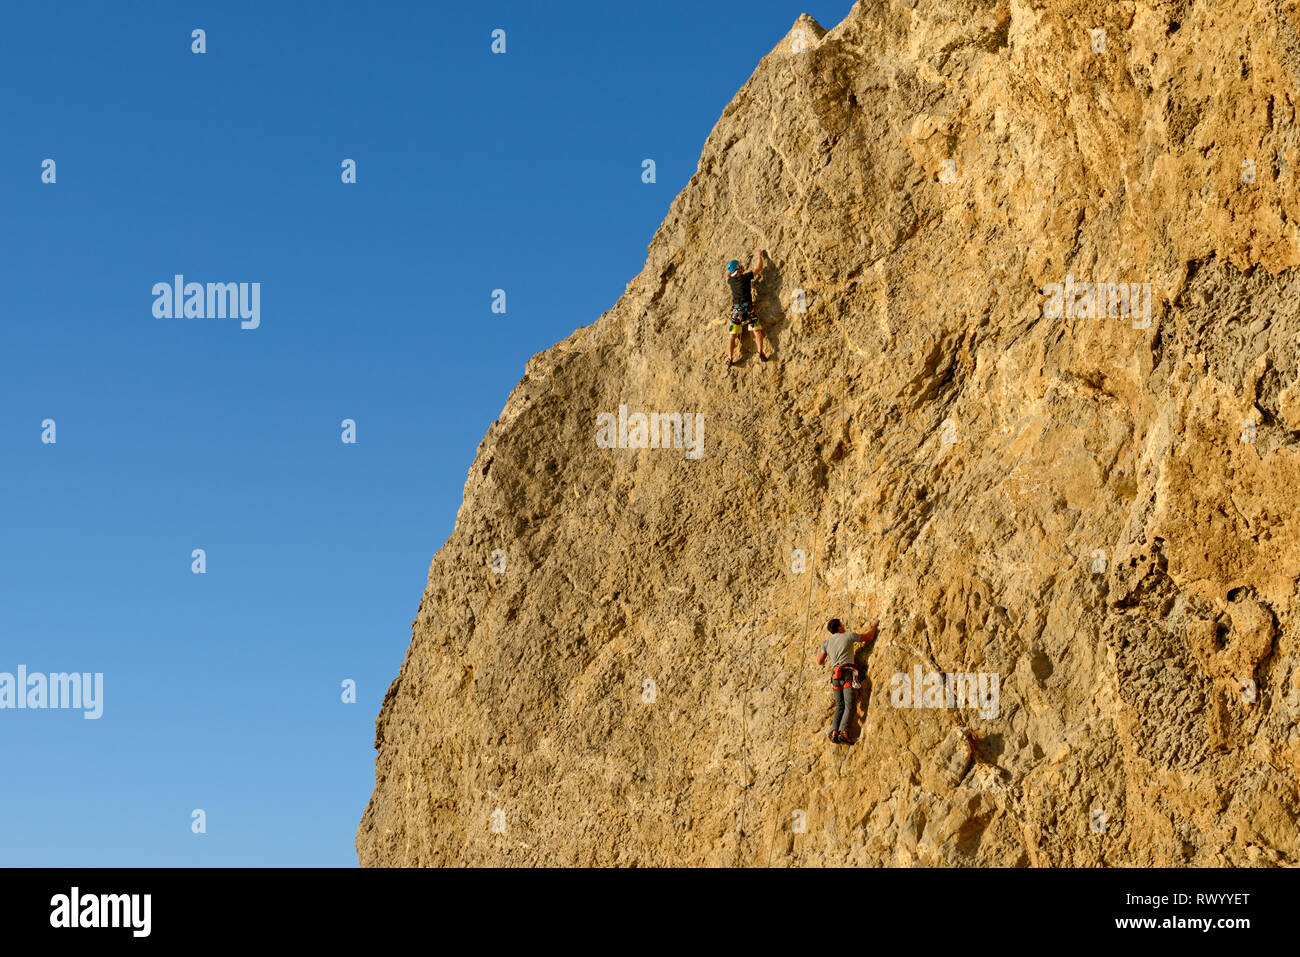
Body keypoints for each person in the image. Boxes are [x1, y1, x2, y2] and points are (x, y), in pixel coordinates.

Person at [817, 617, 878, 744]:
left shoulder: (826, 643)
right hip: (847, 674)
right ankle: (843, 732)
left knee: (840, 706)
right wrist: (874, 626)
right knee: (849, 705)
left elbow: (819, 661)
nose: (844, 625)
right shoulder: (848, 636)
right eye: (842, 624)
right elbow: (869, 637)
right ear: (839, 627)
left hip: (835, 676)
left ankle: (835, 732)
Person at [725, 250, 768, 367]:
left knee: (732, 335)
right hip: (748, 308)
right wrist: (759, 257)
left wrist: (736, 271)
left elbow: (727, 276)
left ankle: (730, 358)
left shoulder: (731, 281)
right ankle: (761, 352)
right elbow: (759, 268)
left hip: (737, 310)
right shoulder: (746, 277)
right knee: (756, 331)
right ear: (739, 268)